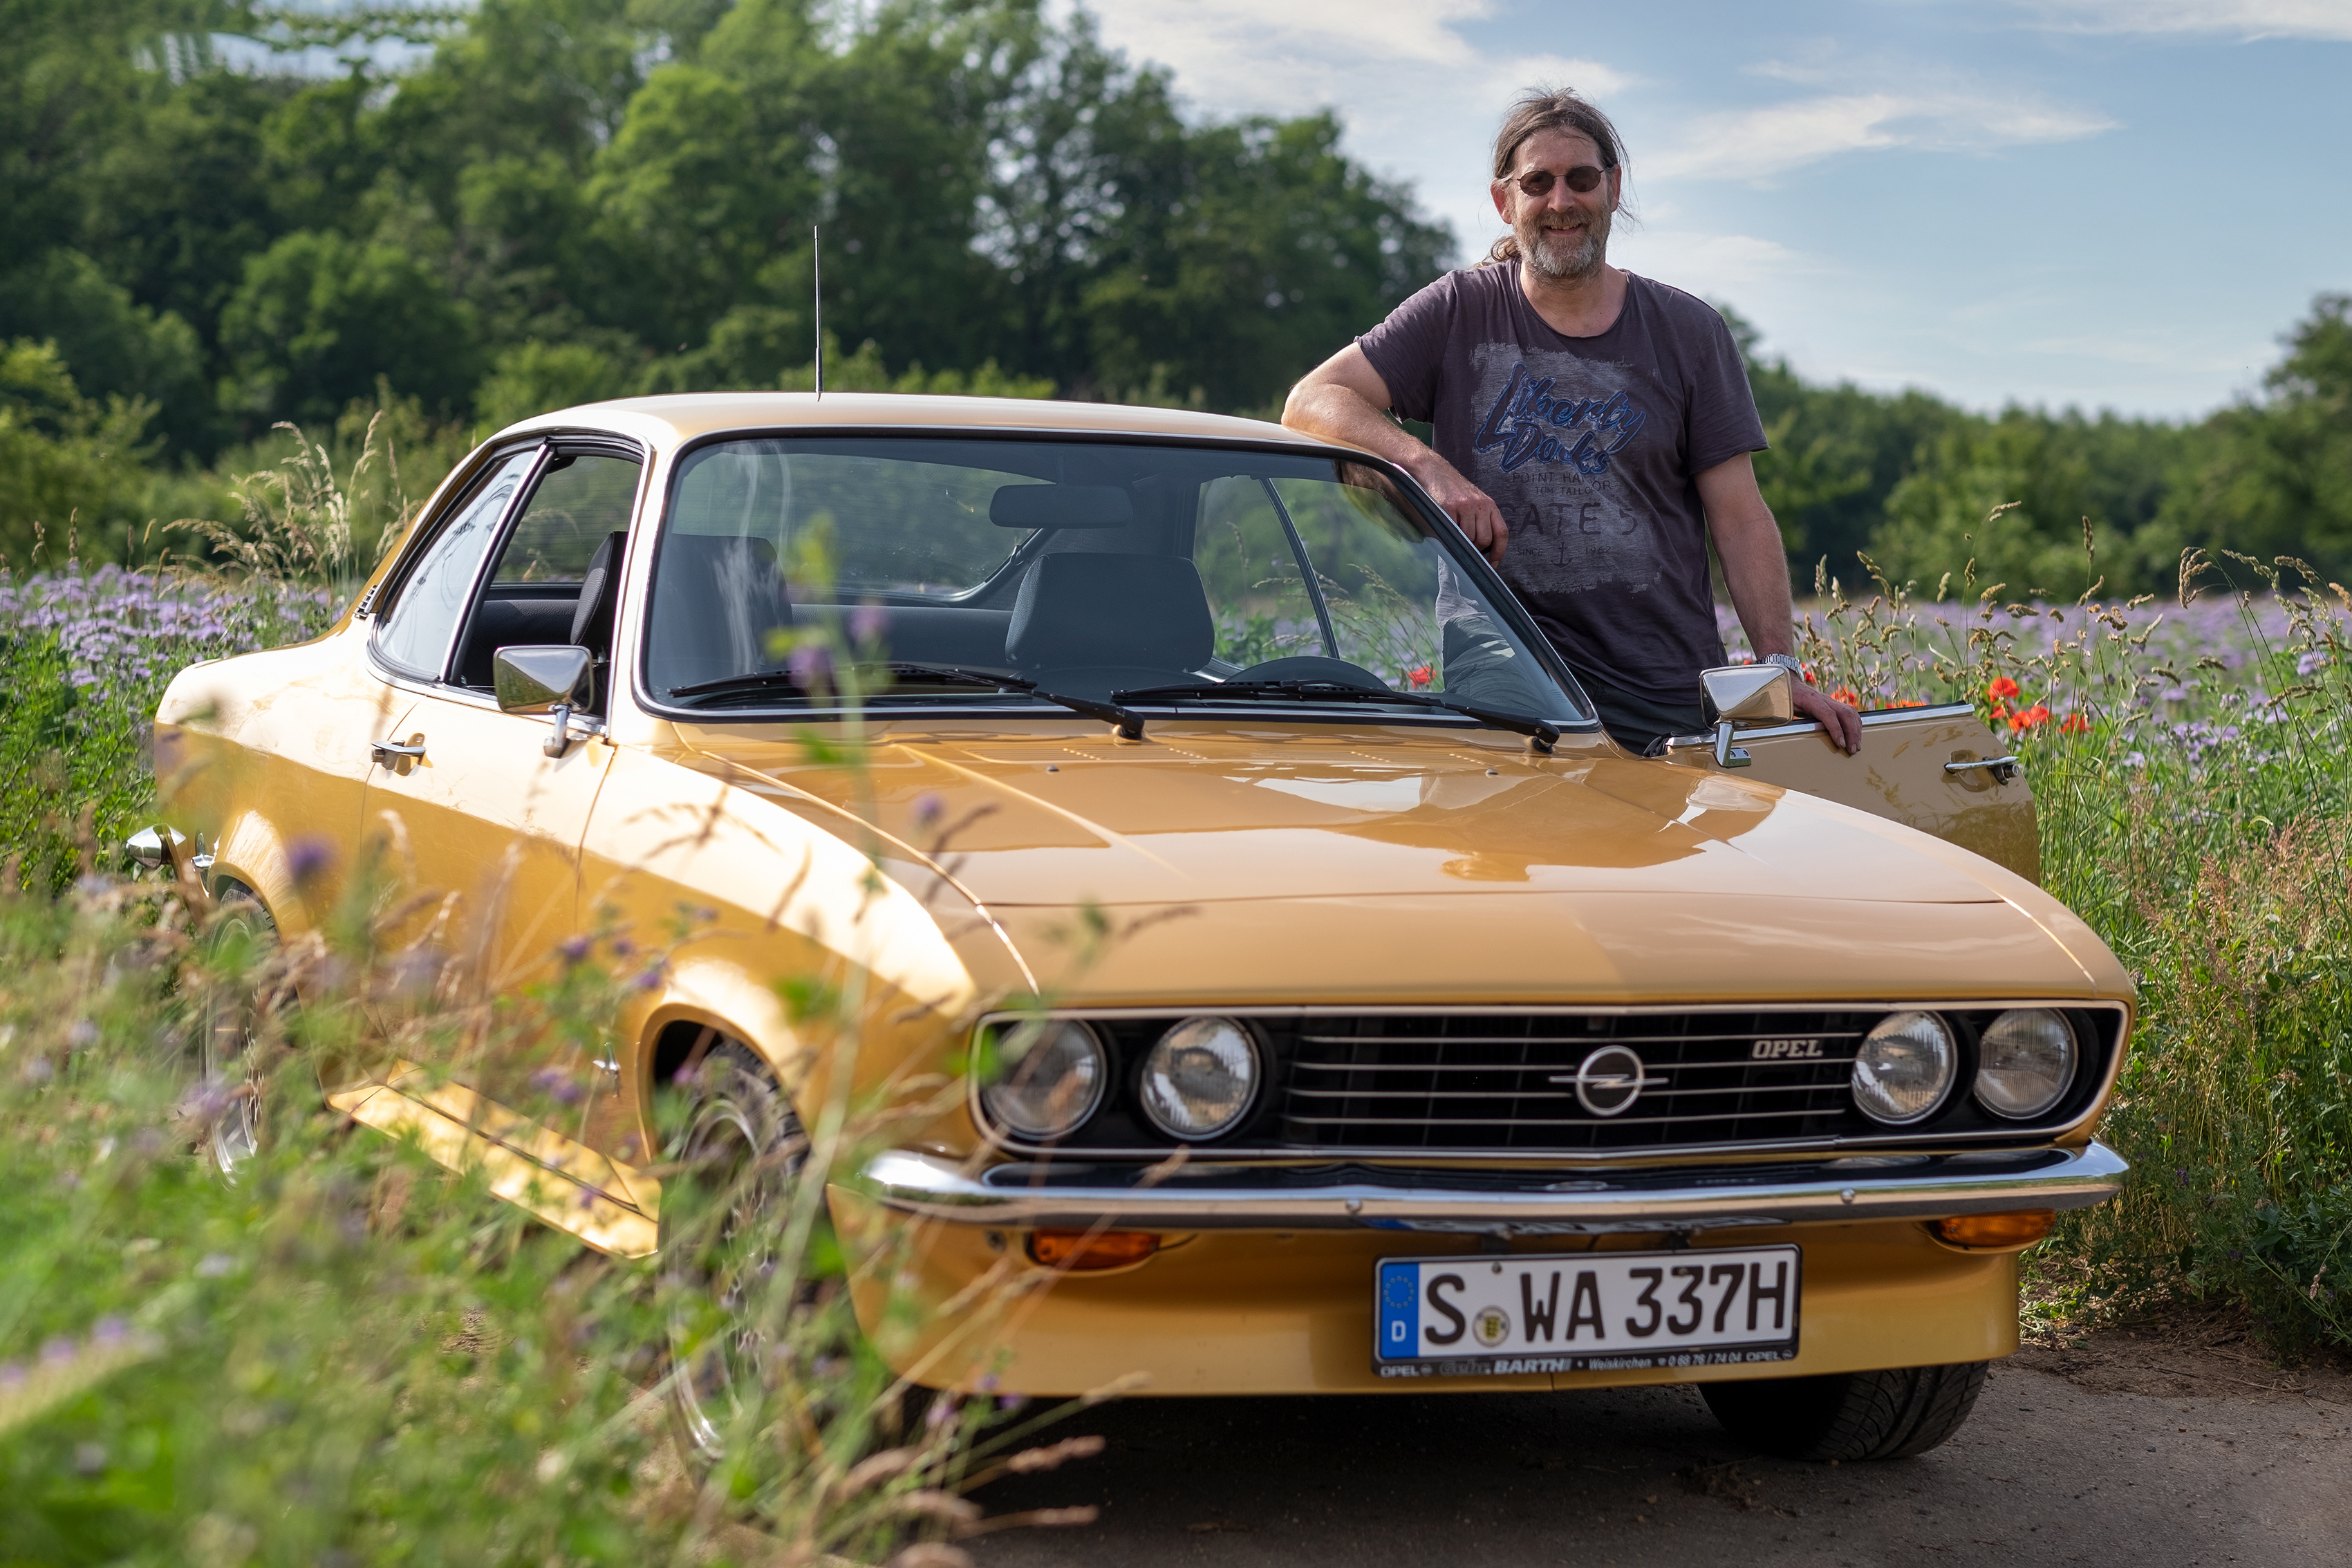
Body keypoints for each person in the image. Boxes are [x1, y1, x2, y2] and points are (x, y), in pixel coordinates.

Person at [1282, 87, 1860, 757]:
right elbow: (1313, 400)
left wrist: (1779, 672)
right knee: (1526, 856)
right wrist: (1428, 468)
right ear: (1505, 200)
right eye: (1538, 183)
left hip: (1665, 692)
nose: (1561, 201)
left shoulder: (1688, 331)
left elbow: (1739, 515)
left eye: (1581, 179)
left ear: (1613, 189)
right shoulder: (1458, 313)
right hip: (1508, 684)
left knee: (1668, 865)